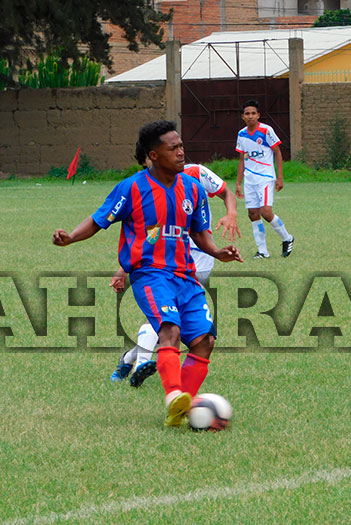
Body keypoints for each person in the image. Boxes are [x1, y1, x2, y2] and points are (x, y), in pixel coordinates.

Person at [53, 120, 243, 427]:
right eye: (173, 148)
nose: (181, 152)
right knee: (170, 329)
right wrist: (71, 237)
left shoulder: (193, 188)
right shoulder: (132, 188)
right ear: (153, 155)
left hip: (186, 275)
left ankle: (182, 409)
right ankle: (174, 396)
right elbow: (99, 219)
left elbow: (199, 233)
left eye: (181, 146)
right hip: (150, 274)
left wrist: (218, 252)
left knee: (205, 340)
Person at [109, 146, 241, 387]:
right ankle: (139, 364)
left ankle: (130, 359)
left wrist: (231, 213)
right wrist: (124, 269)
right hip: (161, 263)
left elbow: (227, 193)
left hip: (199, 260)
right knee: (167, 318)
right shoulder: (146, 187)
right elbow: (148, 236)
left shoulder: (196, 173)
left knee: (171, 320)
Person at [235, 99, 294, 259]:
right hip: (249, 180)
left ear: (258, 115)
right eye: (247, 113)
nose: (250, 116)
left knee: (266, 212)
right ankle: (263, 251)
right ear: (242, 116)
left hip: (266, 177)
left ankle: (287, 238)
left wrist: (280, 177)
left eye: (253, 113)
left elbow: (277, 152)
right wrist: (238, 183)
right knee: (253, 214)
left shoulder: (266, 130)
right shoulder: (241, 134)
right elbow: (242, 159)